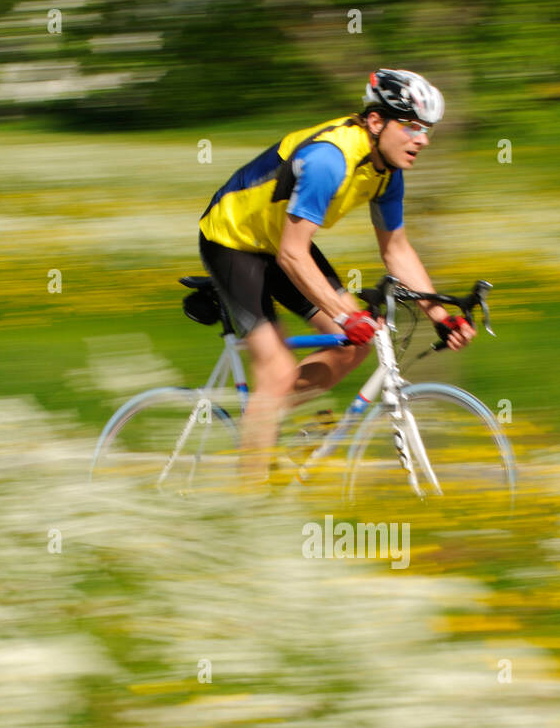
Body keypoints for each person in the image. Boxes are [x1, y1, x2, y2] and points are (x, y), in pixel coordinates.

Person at [197, 68, 475, 485]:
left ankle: (267, 423)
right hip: (233, 243)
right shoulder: (331, 159)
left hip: (280, 245)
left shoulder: (386, 171)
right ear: (377, 121)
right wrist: (347, 315)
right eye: (412, 126)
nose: (423, 139)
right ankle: (248, 506)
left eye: (427, 129)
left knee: (352, 347)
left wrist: (440, 315)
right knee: (276, 371)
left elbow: (395, 249)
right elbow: (293, 254)